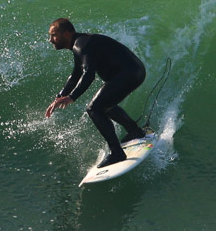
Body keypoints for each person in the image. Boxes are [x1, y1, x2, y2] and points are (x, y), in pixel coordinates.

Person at [45, 18, 147, 167]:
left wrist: (72, 97)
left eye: (54, 35)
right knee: (104, 105)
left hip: (129, 73)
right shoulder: (80, 44)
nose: (50, 40)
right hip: (132, 72)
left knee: (94, 108)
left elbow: (88, 74)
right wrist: (59, 97)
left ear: (66, 34)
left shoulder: (81, 45)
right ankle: (134, 131)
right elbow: (76, 75)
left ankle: (117, 153)